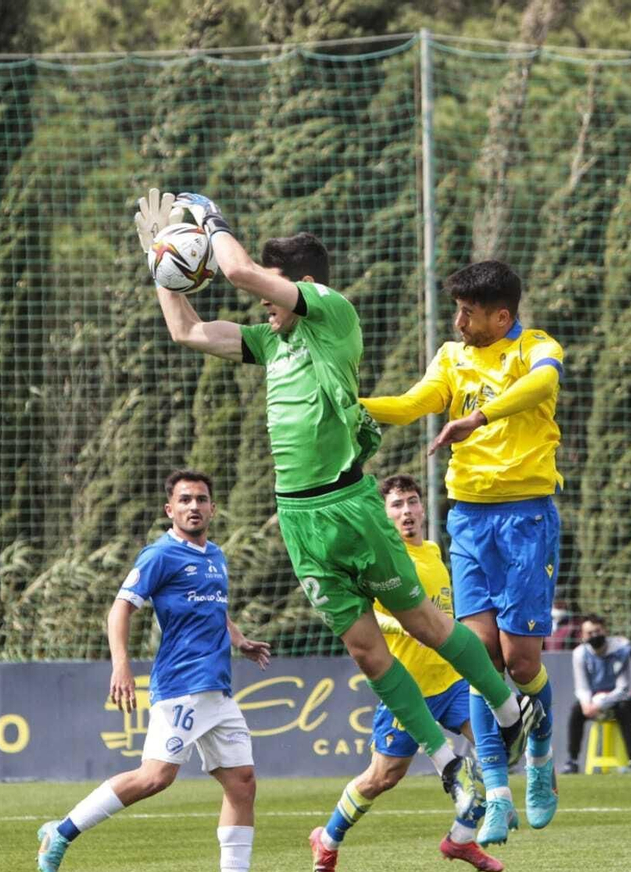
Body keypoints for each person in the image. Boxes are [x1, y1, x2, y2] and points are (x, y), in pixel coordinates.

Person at [131, 188, 533, 825]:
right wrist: (159, 265)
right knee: (368, 654)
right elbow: (185, 329)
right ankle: (448, 766)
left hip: (348, 506)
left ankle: (512, 712)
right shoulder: (270, 341)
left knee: (426, 624)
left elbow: (234, 270)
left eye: (272, 292)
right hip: (299, 520)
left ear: (305, 286)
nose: (262, 304)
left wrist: (210, 219)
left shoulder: (332, 314)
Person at [361, 260, 564, 845]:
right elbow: (411, 401)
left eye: (468, 315)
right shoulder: (451, 357)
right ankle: (498, 792)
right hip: (469, 519)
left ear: (502, 316)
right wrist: (351, 403)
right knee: (479, 658)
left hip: (526, 517)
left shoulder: (537, 348)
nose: (458, 323)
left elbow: (543, 385)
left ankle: (543, 759)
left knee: (522, 662)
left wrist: (477, 416)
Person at [35, 470, 280, 872]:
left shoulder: (216, 556)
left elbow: (214, 610)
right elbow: (120, 608)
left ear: (212, 508)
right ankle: (62, 831)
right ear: (170, 509)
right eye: (184, 499)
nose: (194, 506)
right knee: (155, 778)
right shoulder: (159, 555)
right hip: (182, 686)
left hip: (218, 691)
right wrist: (122, 665)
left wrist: (239, 640)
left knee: (242, 783)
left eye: (201, 499)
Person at [309, 473, 504, 872]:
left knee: (492, 746)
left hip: (450, 682)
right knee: (383, 777)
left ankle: (461, 838)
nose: (407, 512)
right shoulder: (381, 559)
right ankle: (326, 841)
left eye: (412, 502)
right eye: (396, 506)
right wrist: (395, 625)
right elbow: (361, 614)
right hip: (407, 690)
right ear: (384, 516)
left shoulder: (433, 551)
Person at [564, 615, 631, 775]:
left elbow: (625, 689)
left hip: (625, 701)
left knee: (623, 709)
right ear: (583, 635)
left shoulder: (623, 651)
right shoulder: (580, 654)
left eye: (597, 631)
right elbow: (582, 687)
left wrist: (600, 704)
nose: (594, 636)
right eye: (589, 633)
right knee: (576, 710)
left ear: (604, 630)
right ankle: (572, 761)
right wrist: (587, 705)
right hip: (594, 704)